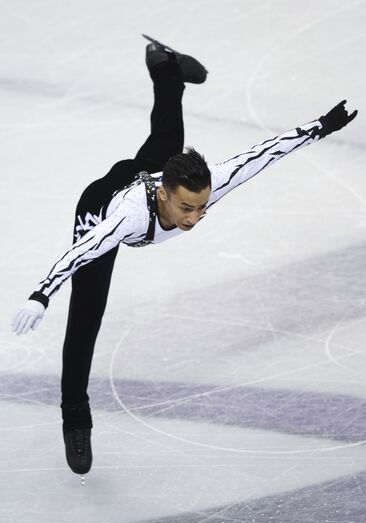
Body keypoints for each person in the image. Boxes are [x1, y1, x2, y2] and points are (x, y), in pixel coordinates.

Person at [11, 36, 358, 476]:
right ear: (164, 196)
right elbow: (78, 252)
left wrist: (320, 128)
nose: (195, 218)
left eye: (201, 207)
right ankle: (75, 415)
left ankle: (166, 65)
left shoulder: (193, 189)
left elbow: (261, 156)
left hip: (151, 173)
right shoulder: (125, 221)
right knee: (86, 318)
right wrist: (40, 296)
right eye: (187, 208)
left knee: (169, 138)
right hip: (100, 204)